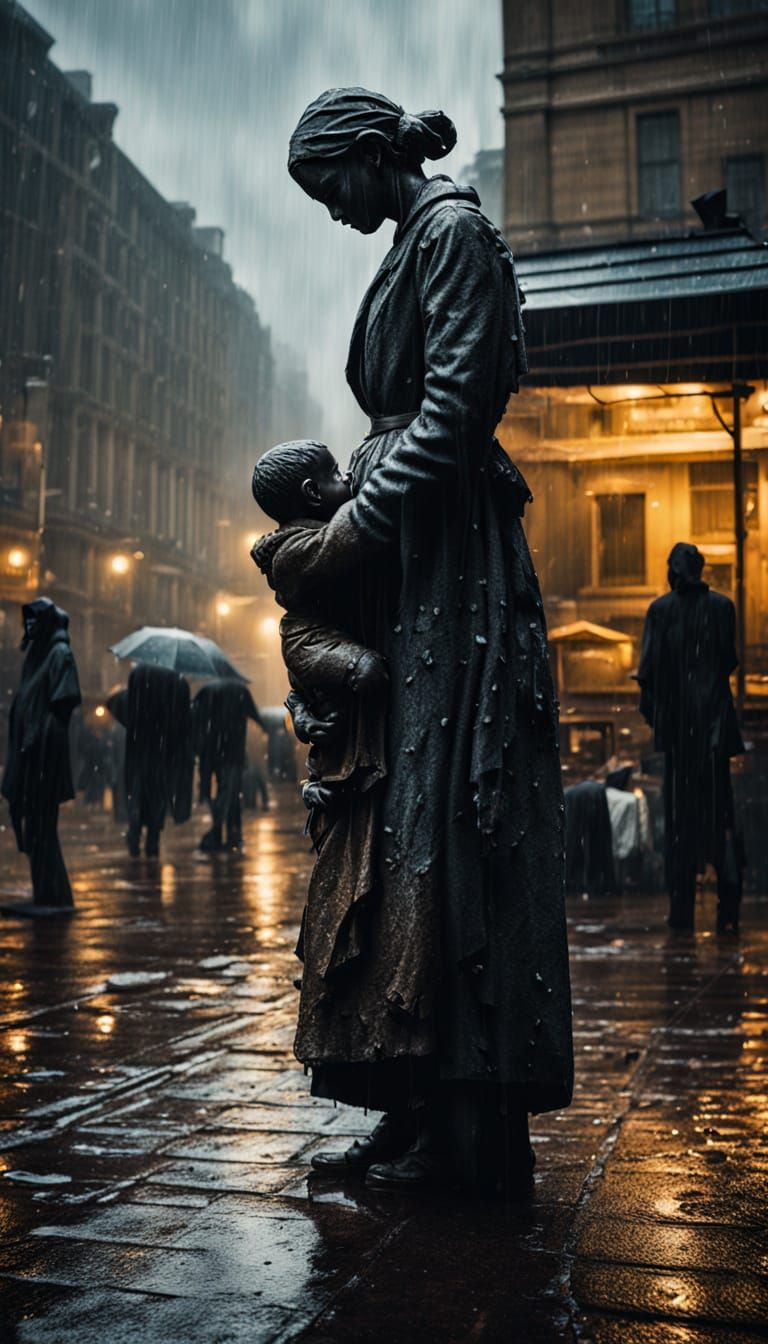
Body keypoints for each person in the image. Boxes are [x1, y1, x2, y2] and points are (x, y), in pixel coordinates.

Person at [276, 88, 573, 1194]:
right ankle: (410, 1097)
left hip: (447, 562)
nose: (333, 213)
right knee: (404, 814)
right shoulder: (421, 238)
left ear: (366, 157)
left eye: (332, 189)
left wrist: (354, 523)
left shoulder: (452, 233)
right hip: (419, 559)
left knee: (447, 813)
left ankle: (471, 1122)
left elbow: (453, 411)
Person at [252, 439, 389, 1012]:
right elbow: (353, 531)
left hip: (321, 661)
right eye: (336, 474)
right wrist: (387, 472)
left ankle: (329, 954)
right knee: (340, 850)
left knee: (346, 848)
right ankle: (326, 957)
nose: (346, 479)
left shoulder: (306, 540)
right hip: (318, 651)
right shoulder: (301, 550)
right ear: (312, 495)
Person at [637, 542, 744, 934]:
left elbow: (647, 676)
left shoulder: (660, 612)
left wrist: (661, 717)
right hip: (714, 735)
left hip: (681, 740)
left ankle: (681, 911)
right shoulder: (723, 608)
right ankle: (728, 911)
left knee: (680, 828)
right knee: (723, 824)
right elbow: (728, 662)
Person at [2, 598, 81, 911]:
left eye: (35, 621)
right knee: (32, 827)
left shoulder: (59, 654)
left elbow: (64, 701)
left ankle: (53, 895)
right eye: (27, 622)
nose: (30, 627)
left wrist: (38, 734)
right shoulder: (37, 656)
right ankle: (46, 892)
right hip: (29, 754)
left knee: (41, 827)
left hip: (43, 757)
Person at [108, 664, 193, 858]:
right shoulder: (174, 683)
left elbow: (121, 707)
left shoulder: (138, 676)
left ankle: (135, 836)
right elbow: (180, 722)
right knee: (157, 801)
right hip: (161, 757)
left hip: (138, 752)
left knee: (137, 799)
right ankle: (152, 842)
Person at [192, 678, 265, 851]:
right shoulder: (240, 691)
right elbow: (255, 715)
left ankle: (219, 833)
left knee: (217, 793)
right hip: (233, 752)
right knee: (232, 793)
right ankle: (231, 833)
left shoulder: (206, 692)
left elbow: (195, 721)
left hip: (211, 754)